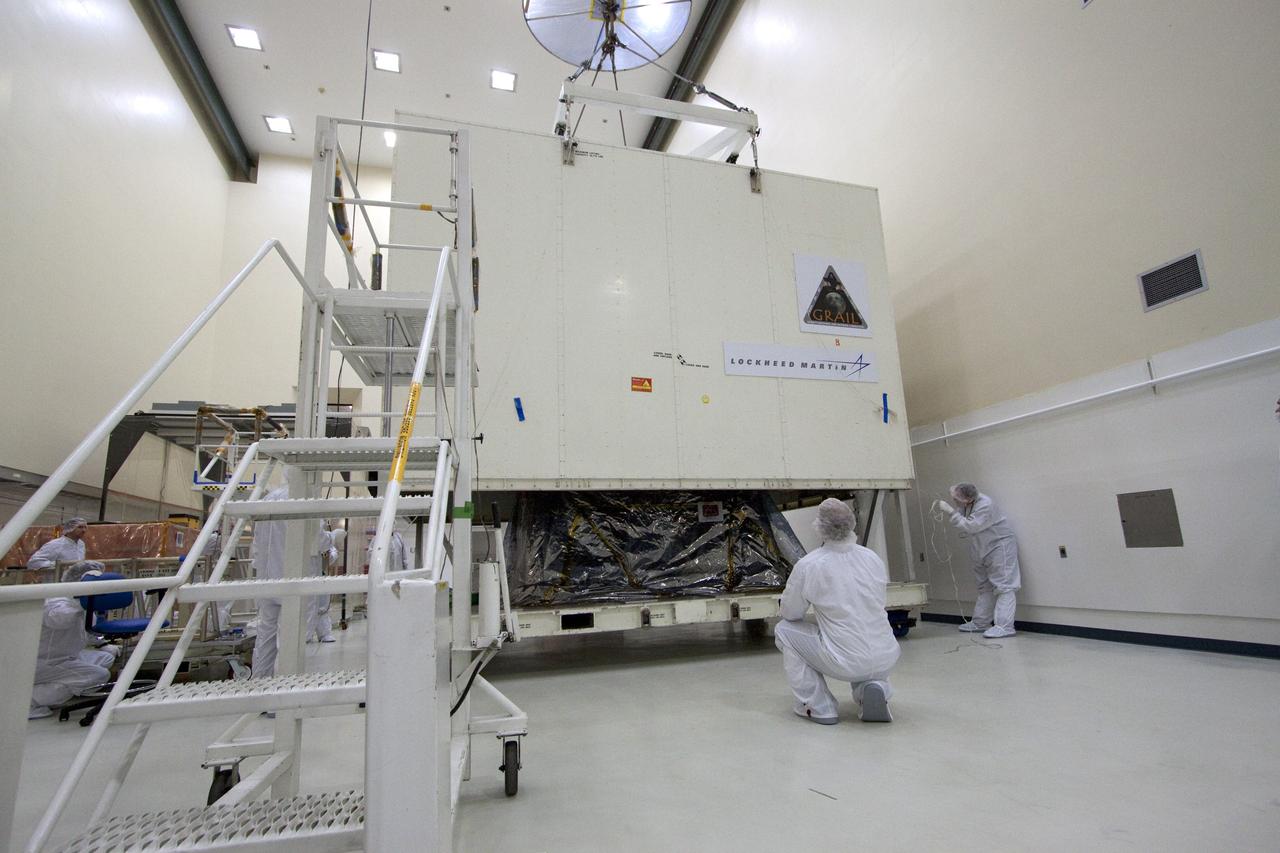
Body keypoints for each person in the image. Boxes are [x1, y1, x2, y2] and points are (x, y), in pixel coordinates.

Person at [774, 498, 901, 725]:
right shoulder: (871, 557)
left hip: (844, 661)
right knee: (860, 632)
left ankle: (818, 706)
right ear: (851, 523)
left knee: (784, 630)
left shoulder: (810, 565)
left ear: (819, 527)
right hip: (887, 656)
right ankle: (874, 687)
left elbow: (791, 613)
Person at [249, 487, 335, 678]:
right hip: (293, 579)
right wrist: (333, 537)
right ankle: (286, 685)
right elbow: (318, 540)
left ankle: (260, 684)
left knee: (265, 636)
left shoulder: (268, 499)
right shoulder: (304, 497)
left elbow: (257, 541)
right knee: (293, 639)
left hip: (266, 577)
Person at [29, 561, 120, 719]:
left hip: (67, 656)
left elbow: (87, 631)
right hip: (44, 661)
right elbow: (60, 619)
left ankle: (58, 689)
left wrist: (103, 643)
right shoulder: (56, 600)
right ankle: (29, 702)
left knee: (105, 658)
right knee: (99, 675)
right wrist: (81, 603)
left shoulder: (81, 602)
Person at [935, 483, 1021, 638]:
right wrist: (956, 512)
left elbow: (970, 526)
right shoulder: (968, 505)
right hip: (981, 547)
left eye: (956, 499)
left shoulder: (985, 505)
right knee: (984, 586)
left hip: (999, 547)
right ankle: (981, 622)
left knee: (1005, 586)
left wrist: (950, 511)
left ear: (967, 499)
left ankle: (1005, 626)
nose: (955, 502)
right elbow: (964, 520)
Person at [307, 527, 340, 643]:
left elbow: (331, 552)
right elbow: (322, 540)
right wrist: (333, 536)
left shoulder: (322, 530)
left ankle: (324, 632)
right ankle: (307, 635)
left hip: (320, 571)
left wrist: (330, 555)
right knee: (309, 604)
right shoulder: (315, 529)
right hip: (307, 572)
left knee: (322, 603)